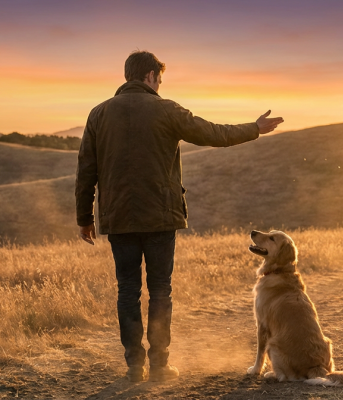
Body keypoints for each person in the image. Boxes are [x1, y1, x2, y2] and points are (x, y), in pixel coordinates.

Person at [75, 50, 284, 383]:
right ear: (150, 76)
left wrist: (84, 217)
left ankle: (134, 366)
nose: (159, 84)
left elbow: (86, 169)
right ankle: (159, 365)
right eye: (159, 78)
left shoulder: (98, 114)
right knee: (160, 290)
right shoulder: (166, 109)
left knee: (127, 290)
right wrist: (254, 128)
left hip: (118, 219)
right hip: (160, 216)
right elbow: (213, 133)